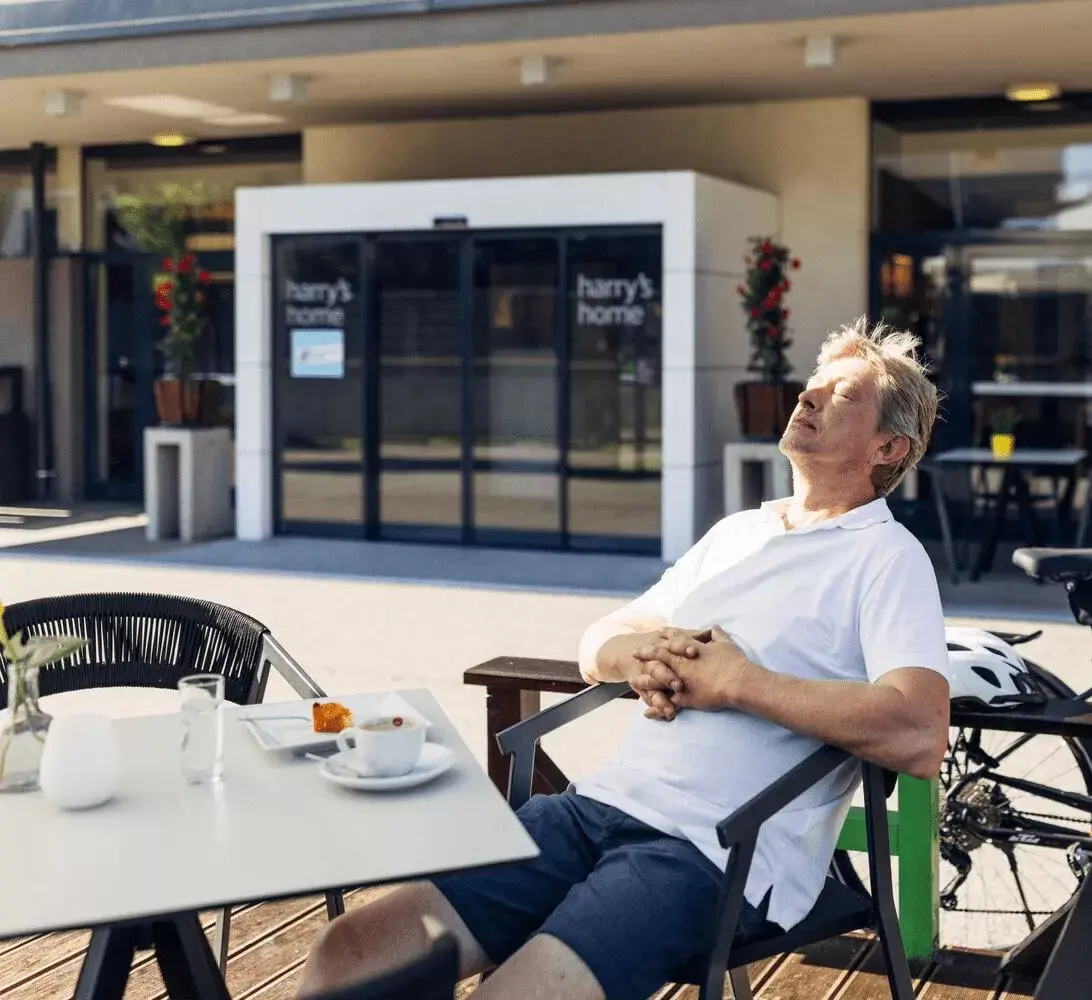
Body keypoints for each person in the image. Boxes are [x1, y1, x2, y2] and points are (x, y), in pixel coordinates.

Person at [298, 317, 950, 1000]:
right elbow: (598, 641)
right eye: (811, 387)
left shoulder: (886, 558)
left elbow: (919, 732)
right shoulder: (739, 533)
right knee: (353, 949)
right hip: (591, 811)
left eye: (841, 396)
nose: (807, 399)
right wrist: (638, 656)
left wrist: (738, 683)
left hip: (712, 850)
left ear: (888, 446)